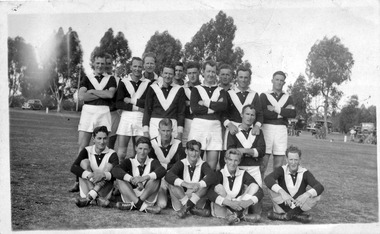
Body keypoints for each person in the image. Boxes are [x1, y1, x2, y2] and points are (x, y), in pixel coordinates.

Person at [69, 52, 117, 192]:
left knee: (104, 147)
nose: (100, 66)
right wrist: (100, 93)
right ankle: (78, 181)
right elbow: (82, 96)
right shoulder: (87, 78)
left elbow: (110, 94)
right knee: (82, 147)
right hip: (88, 112)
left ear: (106, 64)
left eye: (103, 63)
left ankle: (103, 181)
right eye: (98, 63)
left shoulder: (111, 78)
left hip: (103, 112)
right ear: (93, 63)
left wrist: (92, 91)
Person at [264, 145, 324, 223]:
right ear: (286, 159)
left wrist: (306, 195)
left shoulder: (305, 172)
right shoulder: (282, 169)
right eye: (291, 159)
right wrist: (283, 193)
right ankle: (295, 215)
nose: (293, 163)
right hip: (283, 204)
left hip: (298, 204)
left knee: (317, 196)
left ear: (299, 160)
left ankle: (284, 216)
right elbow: (268, 179)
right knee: (271, 188)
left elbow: (319, 186)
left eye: (296, 160)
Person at [188, 60, 227, 170]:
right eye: (208, 71)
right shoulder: (196, 89)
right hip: (198, 126)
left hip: (215, 127)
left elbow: (223, 106)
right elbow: (195, 108)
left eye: (213, 72)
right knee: (193, 160)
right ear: (203, 72)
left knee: (212, 165)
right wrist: (215, 108)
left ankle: (207, 185)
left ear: (216, 73)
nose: (210, 74)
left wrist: (205, 103)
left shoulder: (221, 91)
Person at [226, 104, 265, 215]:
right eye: (247, 114)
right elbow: (230, 150)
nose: (249, 117)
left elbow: (261, 151)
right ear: (241, 115)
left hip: (254, 168)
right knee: (237, 195)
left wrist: (244, 151)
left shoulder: (258, 131)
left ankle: (243, 210)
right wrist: (253, 151)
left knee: (257, 211)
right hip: (239, 167)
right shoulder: (234, 130)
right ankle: (238, 211)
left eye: (252, 115)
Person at [207, 149, 263, 225]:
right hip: (224, 206)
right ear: (225, 160)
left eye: (236, 160)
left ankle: (235, 215)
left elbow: (260, 191)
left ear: (239, 161)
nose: (232, 163)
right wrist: (229, 203)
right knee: (218, 187)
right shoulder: (219, 173)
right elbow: (209, 192)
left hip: (238, 204)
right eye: (230, 160)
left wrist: (248, 202)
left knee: (254, 186)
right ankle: (240, 216)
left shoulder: (243, 173)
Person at [111, 137, 166, 214]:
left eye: (145, 149)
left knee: (156, 178)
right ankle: (141, 206)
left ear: (149, 150)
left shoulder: (153, 161)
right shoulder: (129, 161)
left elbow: (162, 170)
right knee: (119, 178)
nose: (142, 152)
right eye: (140, 148)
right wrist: (132, 179)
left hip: (147, 197)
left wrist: (143, 178)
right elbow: (115, 170)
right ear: (135, 148)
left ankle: (134, 205)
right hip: (131, 196)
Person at [221, 67, 263, 168]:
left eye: (246, 77)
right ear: (236, 78)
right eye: (241, 77)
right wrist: (229, 124)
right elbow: (222, 113)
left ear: (250, 79)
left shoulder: (254, 94)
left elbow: (260, 114)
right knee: (228, 157)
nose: (243, 80)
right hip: (232, 129)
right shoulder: (229, 93)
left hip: (248, 130)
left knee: (248, 156)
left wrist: (257, 126)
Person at [165, 140, 217, 218]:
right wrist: (187, 184)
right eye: (191, 150)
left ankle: (186, 208)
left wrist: (198, 184)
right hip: (181, 199)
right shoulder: (181, 163)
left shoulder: (203, 164)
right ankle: (191, 208)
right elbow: (168, 175)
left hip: (196, 199)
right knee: (171, 183)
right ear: (186, 151)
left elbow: (212, 176)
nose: (193, 154)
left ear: (199, 152)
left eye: (196, 151)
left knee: (206, 184)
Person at [70, 126, 119, 207]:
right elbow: (74, 167)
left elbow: (116, 174)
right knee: (84, 162)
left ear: (108, 139)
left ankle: (89, 198)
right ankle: (96, 198)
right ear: (93, 139)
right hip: (88, 186)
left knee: (109, 166)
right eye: (99, 138)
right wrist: (90, 176)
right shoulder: (87, 150)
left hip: (104, 191)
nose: (102, 142)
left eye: (105, 138)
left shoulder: (112, 153)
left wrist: (103, 175)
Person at [260, 71, 296, 179]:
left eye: (281, 80)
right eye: (277, 79)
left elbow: (292, 113)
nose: (279, 82)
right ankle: (258, 188)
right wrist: (283, 112)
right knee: (262, 164)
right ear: (272, 80)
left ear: (284, 82)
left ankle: (276, 190)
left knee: (278, 165)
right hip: (267, 128)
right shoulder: (264, 95)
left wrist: (275, 109)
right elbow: (263, 113)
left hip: (281, 130)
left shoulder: (288, 97)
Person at [115, 57, 151, 161]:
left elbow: (147, 103)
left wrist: (130, 101)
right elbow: (119, 103)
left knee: (140, 152)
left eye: (140, 66)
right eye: (135, 66)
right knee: (121, 153)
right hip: (126, 117)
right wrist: (137, 108)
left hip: (141, 119)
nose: (137, 69)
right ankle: (120, 176)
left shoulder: (148, 83)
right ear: (131, 67)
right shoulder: (123, 82)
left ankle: (137, 175)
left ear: (143, 67)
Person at [149, 118, 186, 208]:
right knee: (162, 204)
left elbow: (180, 165)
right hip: (159, 178)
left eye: (168, 131)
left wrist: (164, 167)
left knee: (179, 206)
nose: (166, 133)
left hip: (172, 178)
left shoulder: (178, 144)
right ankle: (163, 195)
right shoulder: (152, 143)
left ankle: (172, 196)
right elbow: (151, 165)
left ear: (172, 130)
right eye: (163, 131)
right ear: (159, 130)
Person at [143, 64, 186, 140]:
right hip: (155, 125)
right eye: (165, 73)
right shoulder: (152, 88)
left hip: (172, 126)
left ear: (174, 75)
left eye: (170, 74)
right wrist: (146, 131)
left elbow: (181, 113)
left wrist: (180, 132)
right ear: (161, 73)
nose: (168, 76)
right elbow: (147, 110)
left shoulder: (179, 89)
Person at [182, 61, 201, 147]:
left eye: (194, 73)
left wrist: (189, 103)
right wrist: (196, 103)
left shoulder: (203, 88)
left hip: (200, 121)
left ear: (199, 72)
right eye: (189, 73)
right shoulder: (182, 89)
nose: (192, 76)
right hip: (187, 121)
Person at [105, 53, 121, 150]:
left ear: (112, 64)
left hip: (113, 114)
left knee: (110, 145)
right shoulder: (95, 79)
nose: (107, 66)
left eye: (109, 63)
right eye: (105, 63)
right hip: (99, 113)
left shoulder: (118, 80)